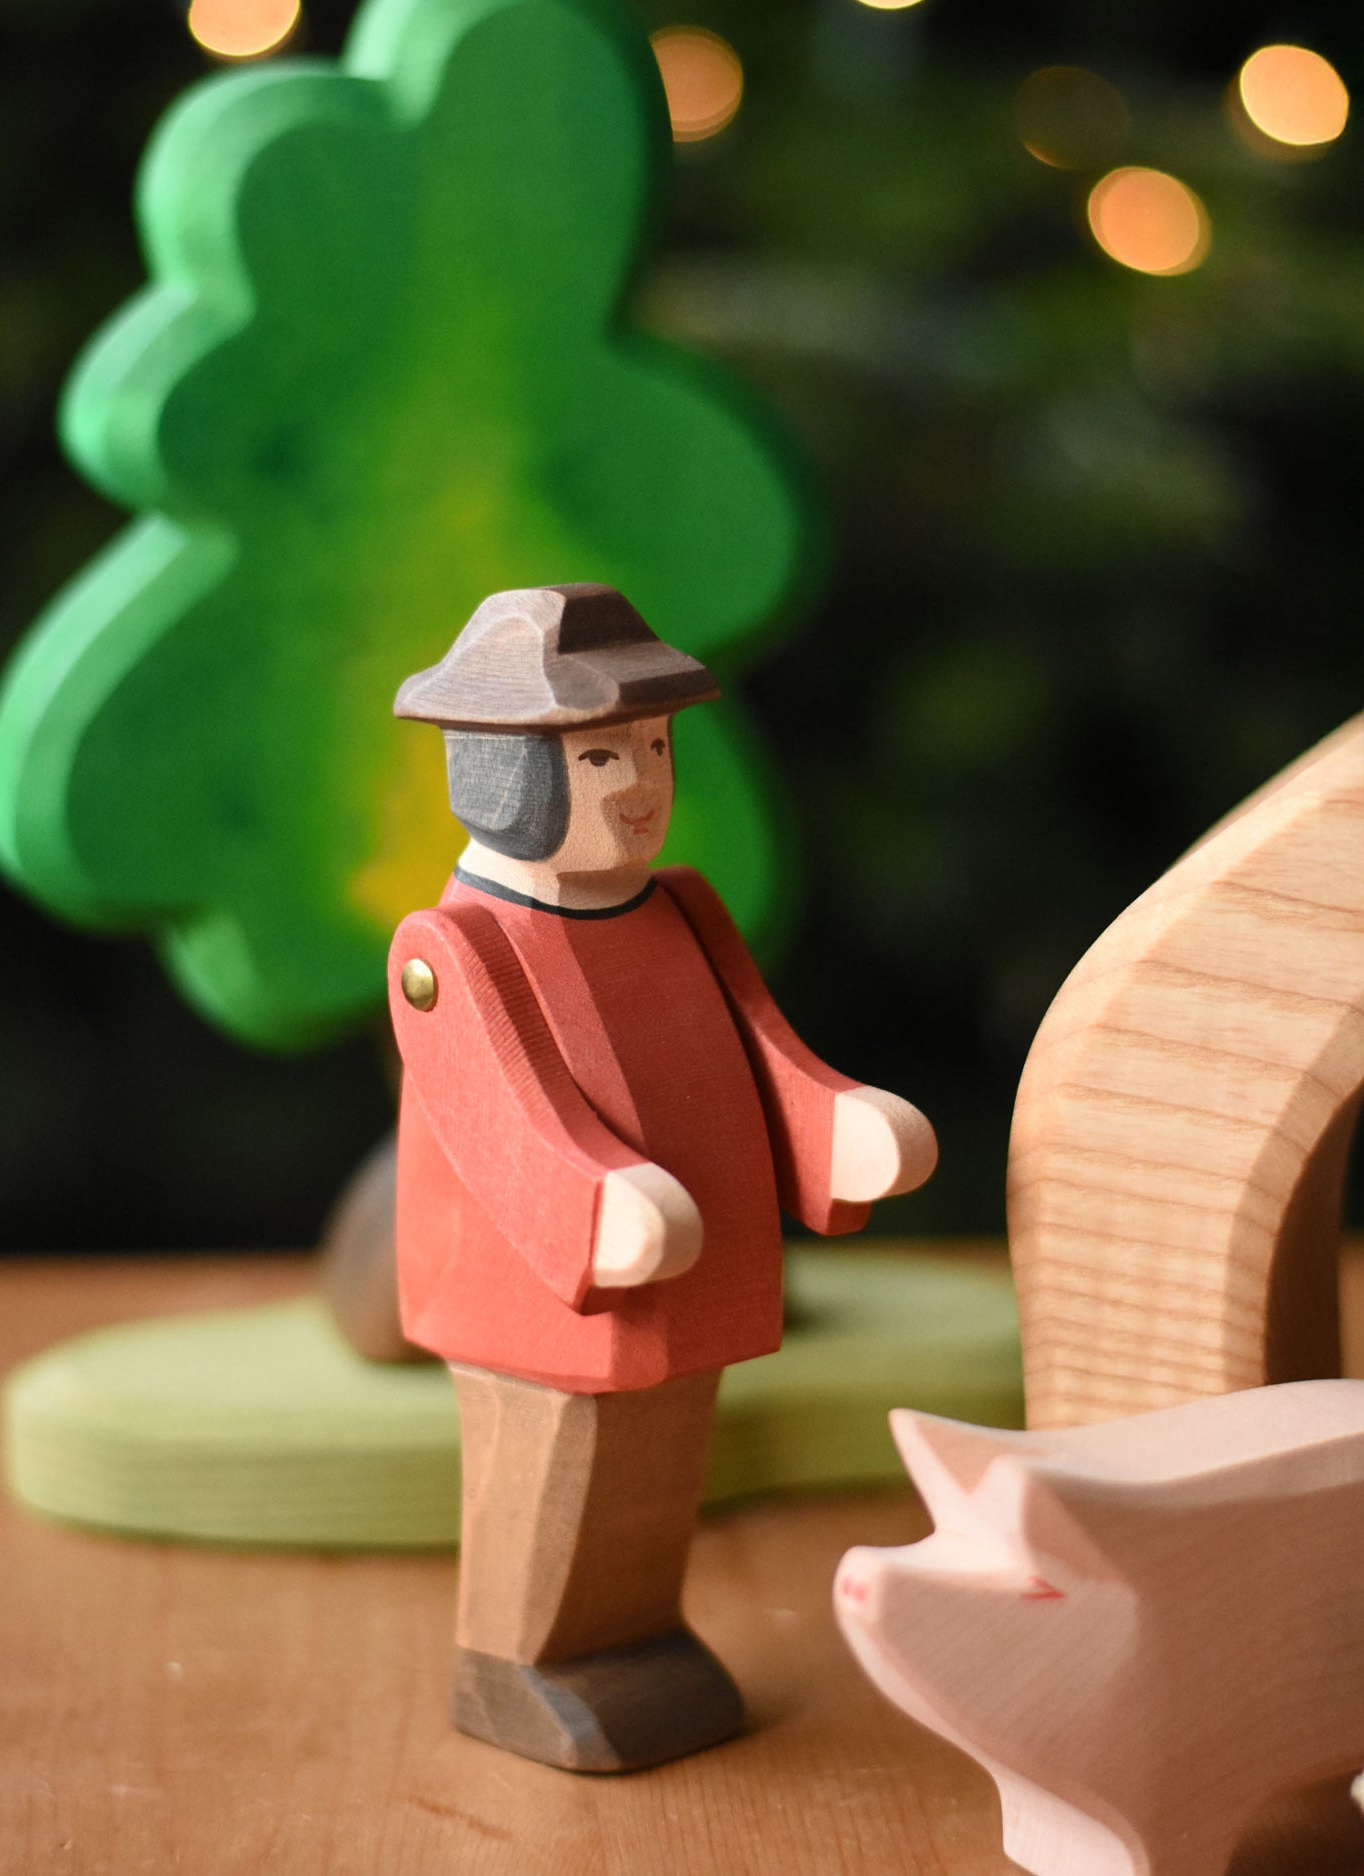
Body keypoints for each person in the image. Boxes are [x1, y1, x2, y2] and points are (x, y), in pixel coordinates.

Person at [387, 583, 937, 1771]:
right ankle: (514, 1660)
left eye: (646, 747)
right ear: (501, 771)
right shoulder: (456, 950)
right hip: (544, 1287)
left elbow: (762, 1051)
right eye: (595, 759)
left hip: (692, 1260)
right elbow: (504, 1122)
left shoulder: (681, 907)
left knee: (656, 1468)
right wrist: (601, 1202)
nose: (636, 786)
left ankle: (636, 1637)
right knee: (554, 1472)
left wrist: (842, 1125)